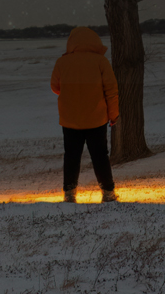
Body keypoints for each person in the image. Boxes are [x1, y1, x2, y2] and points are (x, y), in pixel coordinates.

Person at [48, 23, 120, 203]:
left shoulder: (62, 62)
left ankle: (70, 193)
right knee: (100, 156)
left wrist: (70, 95)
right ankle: (108, 192)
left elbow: (55, 87)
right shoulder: (100, 61)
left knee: (71, 156)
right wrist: (113, 116)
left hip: (70, 120)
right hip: (97, 119)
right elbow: (111, 91)